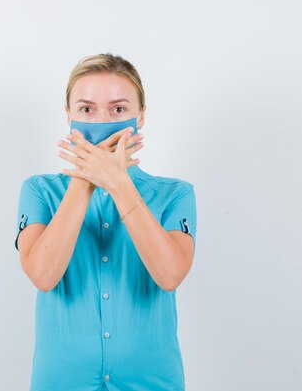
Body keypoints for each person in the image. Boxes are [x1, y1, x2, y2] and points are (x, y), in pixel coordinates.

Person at [14, 53, 197, 391]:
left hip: (153, 383)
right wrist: (86, 177)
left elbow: (170, 275)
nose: (101, 121)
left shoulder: (175, 195)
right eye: (86, 109)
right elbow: (42, 274)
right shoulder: (39, 191)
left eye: (117, 109)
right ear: (68, 116)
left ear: (140, 117)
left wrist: (117, 183)